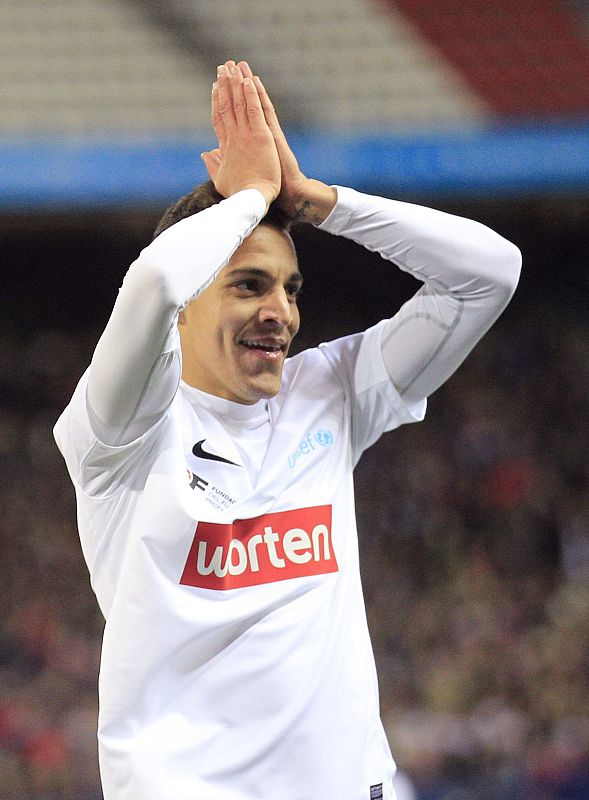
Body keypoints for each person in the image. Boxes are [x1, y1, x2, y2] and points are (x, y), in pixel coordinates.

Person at [54, 60, 521, 800]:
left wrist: (317, 203)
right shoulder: (121, 432)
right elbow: (151, 283)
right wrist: (246, 198)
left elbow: (489, 273)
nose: (281, 311)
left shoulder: (329, 394)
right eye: (248, 285)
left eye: (290, 288)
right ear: (187, 310)